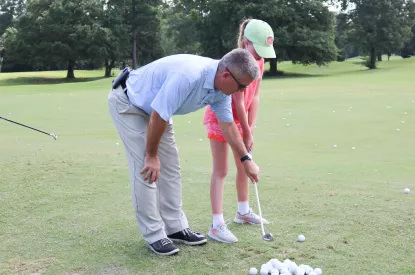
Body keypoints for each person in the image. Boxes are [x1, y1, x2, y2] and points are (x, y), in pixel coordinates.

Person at [108, 48, 261, 256]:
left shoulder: (222, 90)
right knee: (145, 169)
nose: (240, 92)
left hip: (158, 111)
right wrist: (152, 156)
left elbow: (229, 127)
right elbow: (158, 117)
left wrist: (246, 159)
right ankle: (154, 235)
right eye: (241, 86)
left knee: (171, 167)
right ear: (226, 75)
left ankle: (175, 228)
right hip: (129, 103)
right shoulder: (189, 76)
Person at [203, 19, 276, 243]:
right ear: (246, 43)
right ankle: (216, 225)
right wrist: (245, 129)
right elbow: (236, 99)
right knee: (221, 169)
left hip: (243, 120)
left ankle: (243, 212)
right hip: (221, 117)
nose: (260, 55)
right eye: (257, 49)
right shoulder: (235, 63)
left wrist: (250, 127)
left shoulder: (259, 61)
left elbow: (254, 95)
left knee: (243, 166)